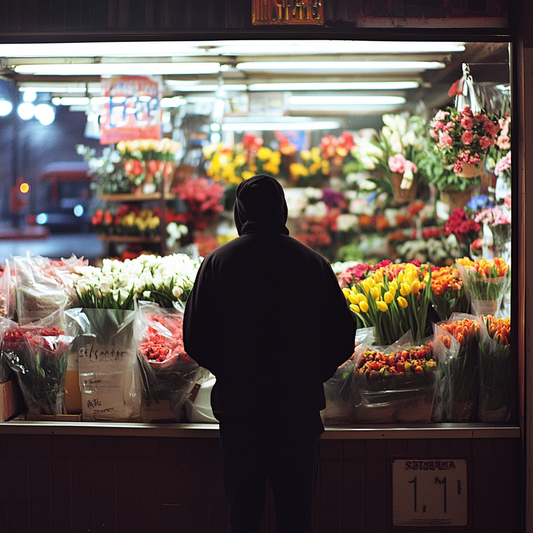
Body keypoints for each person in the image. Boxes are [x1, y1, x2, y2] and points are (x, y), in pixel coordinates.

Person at [183, 174, 356, 533]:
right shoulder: (314, 264)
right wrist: (310, 373)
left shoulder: (217, 264)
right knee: (296, 520)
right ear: (282, 210)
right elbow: (343, 336)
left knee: (242, 519)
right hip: (298, 411)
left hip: (239, 412)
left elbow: (195, 338)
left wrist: (231, 370)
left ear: (239, 212)